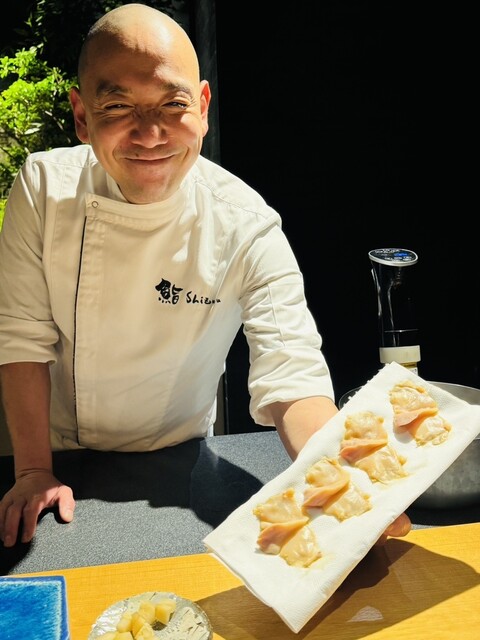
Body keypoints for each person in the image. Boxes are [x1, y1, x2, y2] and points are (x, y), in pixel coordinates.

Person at [0, 3, 410, 548]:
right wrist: (32, 469)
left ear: (203, 105)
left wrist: (341, 480)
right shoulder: (44, 189)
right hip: (50, 455)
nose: (150, 134)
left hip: (180, 462)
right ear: (81, 115)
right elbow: (21, 337)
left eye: (173, 104)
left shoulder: (245, 224)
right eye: (117, 105)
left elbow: (292, 371)